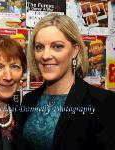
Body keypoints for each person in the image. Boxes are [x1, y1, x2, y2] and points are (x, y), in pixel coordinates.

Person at [20, 14, 115, 150]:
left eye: (57, 47)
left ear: (75, 51)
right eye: (39, 47)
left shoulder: (103, 102)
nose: (45, 55)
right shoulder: (29, 100)